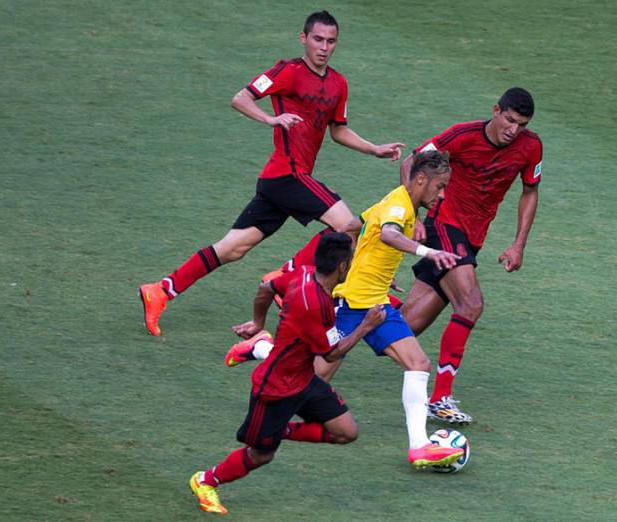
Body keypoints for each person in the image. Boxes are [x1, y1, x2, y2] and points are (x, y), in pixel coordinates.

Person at [138, 10, 404, 336]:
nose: (323, 47)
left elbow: (338, 130)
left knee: (233, 248)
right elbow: (241, 98)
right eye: (317, 39)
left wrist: (374, 148)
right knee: (348, 226)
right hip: (286, 174)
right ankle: (286, 278)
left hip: (282, 181)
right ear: (303, 38)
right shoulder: (287, 71)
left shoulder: (338, 83)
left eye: (331, 41)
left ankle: (161, 290)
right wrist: (270, 120)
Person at [227, 151, 465, 468]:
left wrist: (369, 264)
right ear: (421, 179)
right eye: (440, 186)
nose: (443, 194)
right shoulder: (397, 206)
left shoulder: (397, 201)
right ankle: (261, 349)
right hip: (353, 305)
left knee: (418, 363)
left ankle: (420, 446)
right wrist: (428, 251)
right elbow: (388, 233)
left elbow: (354, 226)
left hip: (374, 302)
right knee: (313, 373)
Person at [189, 233, 385, 515]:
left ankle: (276, 424)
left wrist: (258, 322)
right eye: (351, 261)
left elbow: (266, 286)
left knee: (346, 432)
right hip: (275, 388)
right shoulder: (317, 306)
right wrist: (366, 326)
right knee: (262, 454)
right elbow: (330, 354)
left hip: (304, 379)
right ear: (342, 267)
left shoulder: (302, 274)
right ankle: (206, 480)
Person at [399, 87, 543, 425]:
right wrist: (414, 214)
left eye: (521, 124)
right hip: (444, 224)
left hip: (473, 238)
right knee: (471, 304)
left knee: (406, 325)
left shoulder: (531, 146)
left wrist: (518, 243)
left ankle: (336, 308)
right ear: (496, 110)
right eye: (509, 120)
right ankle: (440, 398)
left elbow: (530, 191)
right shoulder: (461, 136)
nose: (514, 130)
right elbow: (411, 161)